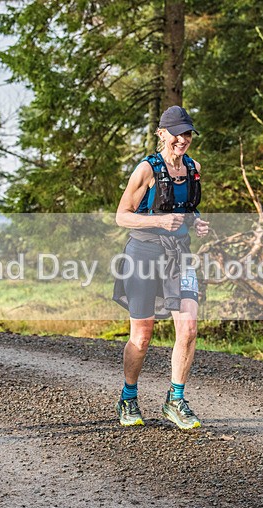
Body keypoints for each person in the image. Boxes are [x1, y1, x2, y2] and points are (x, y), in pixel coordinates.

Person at [112, 105, 209, 429]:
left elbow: (188, 209)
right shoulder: (146, 169)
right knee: (141, 336)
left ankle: (175, 400)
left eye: (187, 133)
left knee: (190, 328)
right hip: (143, 254)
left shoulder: (193, 168)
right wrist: (160, 220)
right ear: (162, 133)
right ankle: (128, 397)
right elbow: (122, 215)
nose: (182, 139)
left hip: (179, 255)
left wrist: (197, 224)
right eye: (176, 133)